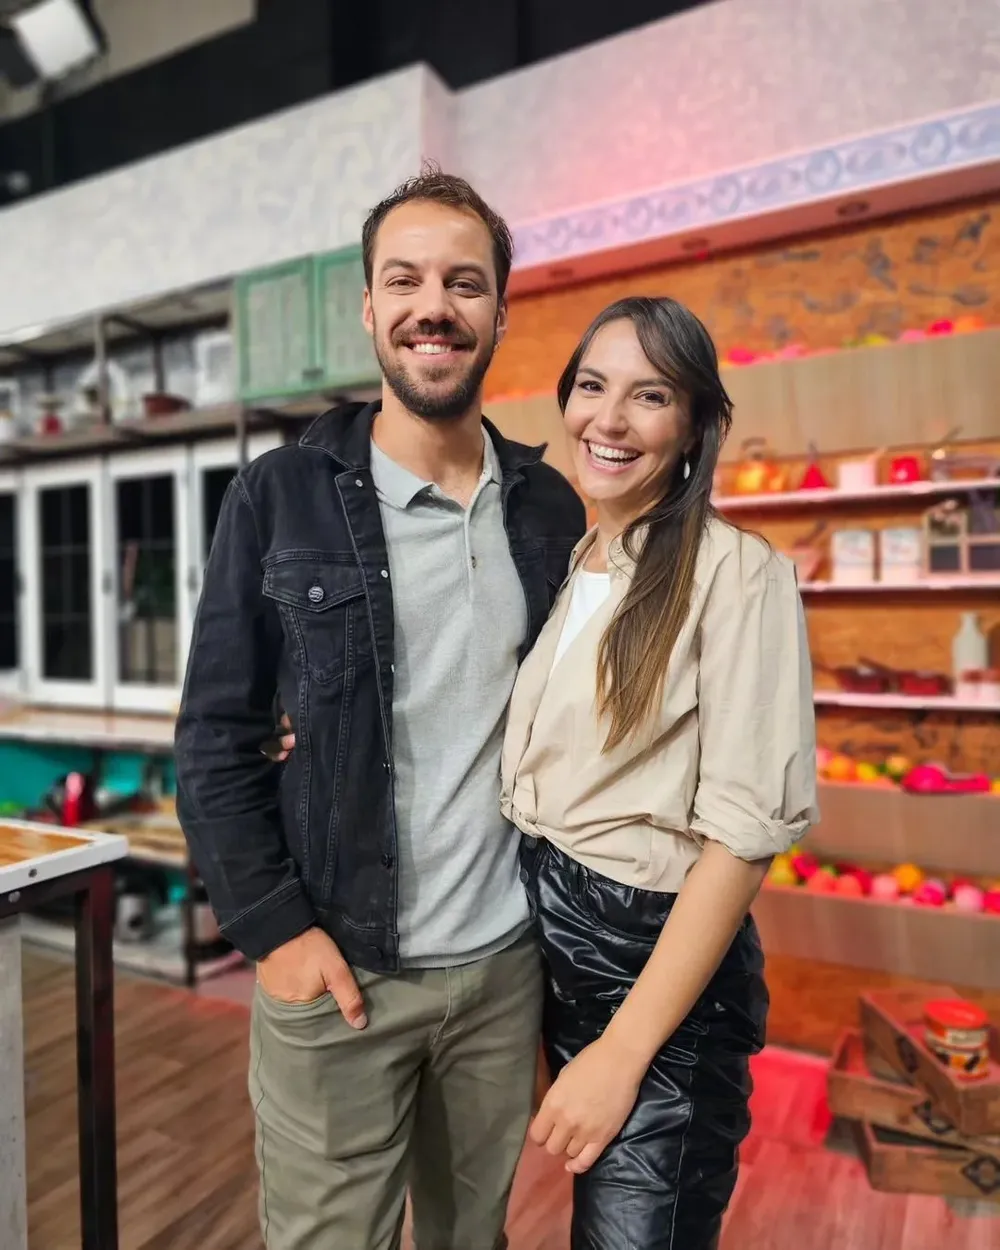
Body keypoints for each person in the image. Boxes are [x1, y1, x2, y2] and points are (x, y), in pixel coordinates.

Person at [174, 167, 585, 1250]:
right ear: (369, 307)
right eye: (402, 279)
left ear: (501, 306)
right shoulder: (279, 495)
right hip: (340, 968)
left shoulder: (546, 504)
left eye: (463, 280)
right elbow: (216, 732)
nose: (432, 304)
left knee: (470, 1236)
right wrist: (274, 929)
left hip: (503, 966)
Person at [501, 295, 819, 1249]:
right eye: (592, 386)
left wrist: (621, 1053)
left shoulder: (738, 573)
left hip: (656, 978)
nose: (610, 418)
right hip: (548, 946)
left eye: (651, 396)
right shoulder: (577, 560)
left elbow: (741, 840)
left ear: (694, 427)